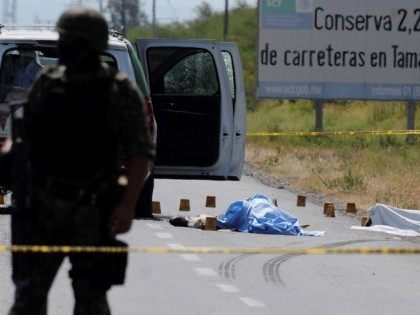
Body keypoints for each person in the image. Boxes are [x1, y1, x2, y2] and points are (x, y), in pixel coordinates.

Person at [8, 6, 154, 315]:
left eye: (66, 39)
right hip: (44, 207)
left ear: (86, 44)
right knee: (28, 299)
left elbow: (140, 152)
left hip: (93, 210)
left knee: (91, 301)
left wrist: (128, 205)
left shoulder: (118, 91)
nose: (61, 44)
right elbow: (25, 137)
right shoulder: (48, 82)